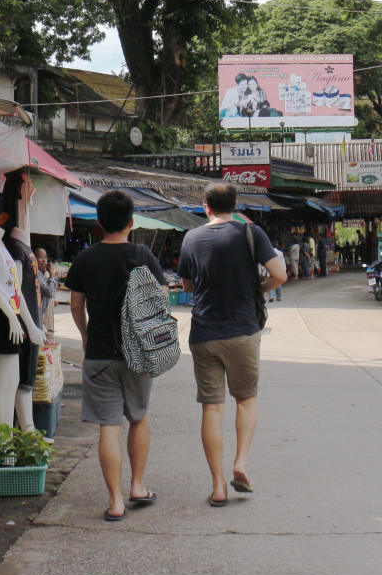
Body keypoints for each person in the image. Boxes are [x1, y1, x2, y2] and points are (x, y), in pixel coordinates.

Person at [177, 182, 287, 508]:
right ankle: (240, 462)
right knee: (246, 399)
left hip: (204, 333)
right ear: (236, 205)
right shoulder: (251, 234)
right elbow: (279, 275)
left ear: (205, 206)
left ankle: (218, 486)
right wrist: (258, 290)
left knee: (212, 407)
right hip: (242, 331)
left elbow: (186, 284)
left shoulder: (191, 238)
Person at [65, 190, 164, 522]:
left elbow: (76, 305)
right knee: (138, 417)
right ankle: (137, 485)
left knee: (108, 426)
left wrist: (84, 334)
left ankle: (116, 502)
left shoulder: (85, 258)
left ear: (98, 223)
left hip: (99, 354)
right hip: (138, 354)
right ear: (131, 222)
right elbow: (161, 299)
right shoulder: (143, 254)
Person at [35, 247, 59, 333]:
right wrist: (52, 274)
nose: (44, 260)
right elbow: (50, 292)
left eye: (45, 257)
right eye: (40, 257)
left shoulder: (42, 274)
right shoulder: (36, 274)